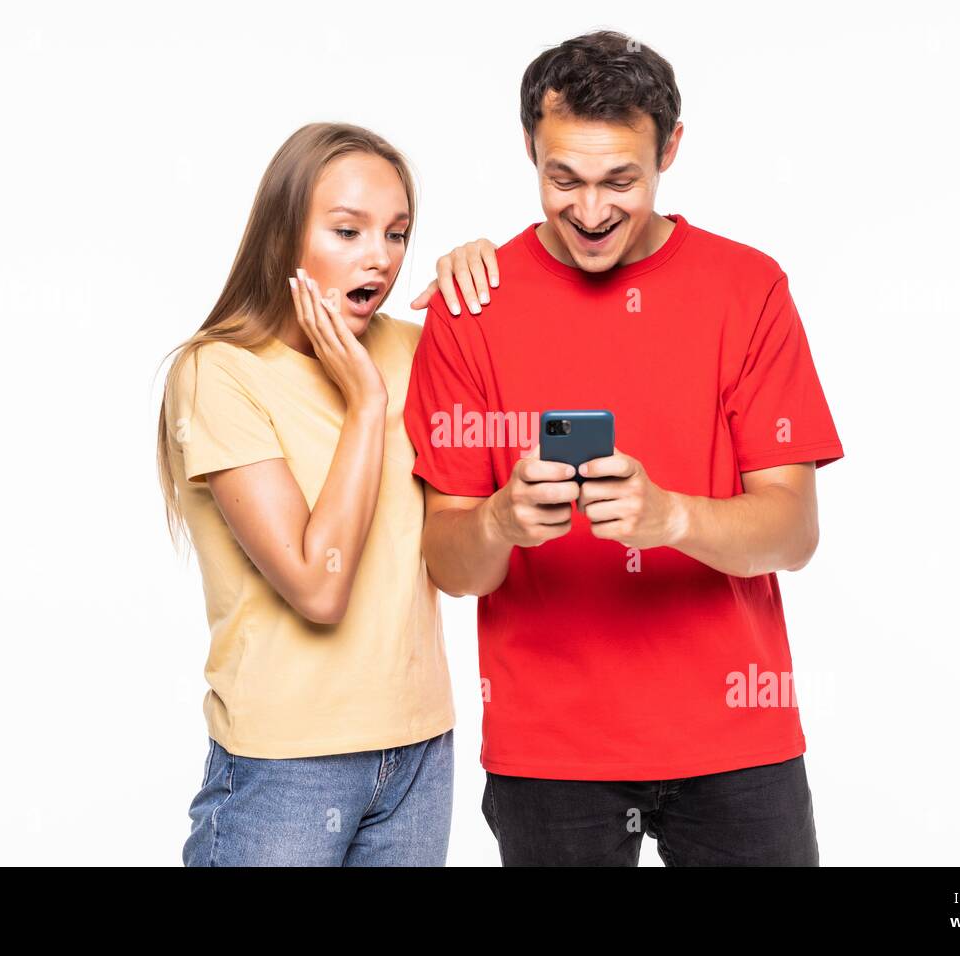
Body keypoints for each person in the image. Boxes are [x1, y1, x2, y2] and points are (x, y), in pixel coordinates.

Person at [403, 30, 845, 866]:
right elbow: (450, 566)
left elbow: (794, 533)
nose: (592, 211)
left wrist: (672, 516)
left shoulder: (748, 289)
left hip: (737, 745)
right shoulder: (472, 306)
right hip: (551, 757)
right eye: (562, 177)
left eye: (622, 179)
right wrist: (498, 522)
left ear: (671, 149)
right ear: (528, 147)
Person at [157, 122, 494, 866]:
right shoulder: (218, 374)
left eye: (398, 234)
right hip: (284, 766)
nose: (379, 256)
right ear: (283, 235)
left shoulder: (418, 349)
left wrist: (493, 270)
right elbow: (318, 587)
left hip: (418, 753)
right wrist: (366, 405)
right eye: (348, 230)